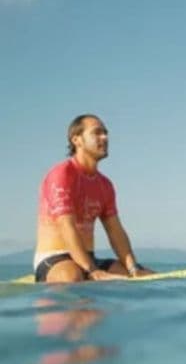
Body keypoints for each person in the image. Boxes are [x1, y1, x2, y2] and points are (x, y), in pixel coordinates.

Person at [34, 114, 153, 283]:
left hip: (89, 257)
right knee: (72, 276)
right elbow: (66, 226)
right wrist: (92, 271)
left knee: (144, 278)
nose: (104, 137)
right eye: (97, 133)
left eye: (105, 133)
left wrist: (133, 268)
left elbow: (115, 231)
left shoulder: (105, 185)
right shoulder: (62, 174)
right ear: (77, 140)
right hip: (55, 259)